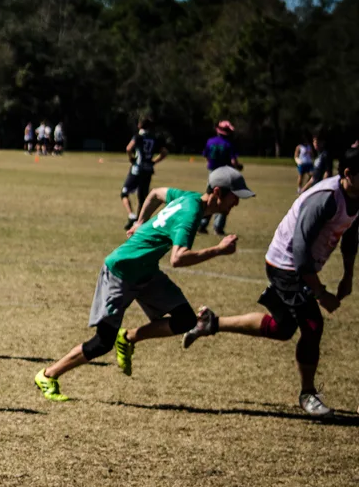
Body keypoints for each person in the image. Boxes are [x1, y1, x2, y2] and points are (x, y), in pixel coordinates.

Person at [34, 167, 254, 402]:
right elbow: (178, 258)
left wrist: (140, 221)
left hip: (146, 271)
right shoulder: (190, 214)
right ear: (218, 192)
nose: (236, 204)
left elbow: (156, 194)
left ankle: (128, 337)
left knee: (186, 320)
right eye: (235, 197)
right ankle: (48, 375)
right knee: (102, 342)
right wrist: (219, 250)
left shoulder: (188, 197)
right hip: (121, 271)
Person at [183, 148, 358, 418]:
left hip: (298, 265)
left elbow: (351, 233)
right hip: (285, 265)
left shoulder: (354, 194)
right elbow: (299, 253)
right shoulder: (326, 199)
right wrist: (321, 293)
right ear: (348, 174)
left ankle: (211, 323)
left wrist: (348, 275)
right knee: (312, 325)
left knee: (282, 328)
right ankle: (307, 394)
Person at [121, 117, 168, 230]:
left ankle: (132, 216)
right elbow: (164, 152)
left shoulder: (138, 137)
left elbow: (128, 148)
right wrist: (154, 162)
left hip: (137, 169)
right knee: (143, 198)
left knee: (124, 193)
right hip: (148, 170)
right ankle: (139, 221)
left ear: (139, 125)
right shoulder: (154, 138)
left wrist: (131, 158)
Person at [199, 120, 241, 235]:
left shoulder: (210, 141)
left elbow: (206, 156)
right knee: (223, 199)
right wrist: (238, 167)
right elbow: (233, 160)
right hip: (224, 174)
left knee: (209, 197)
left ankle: (202, 224)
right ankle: (218, 227)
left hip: (212, 173)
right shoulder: (229, 144)